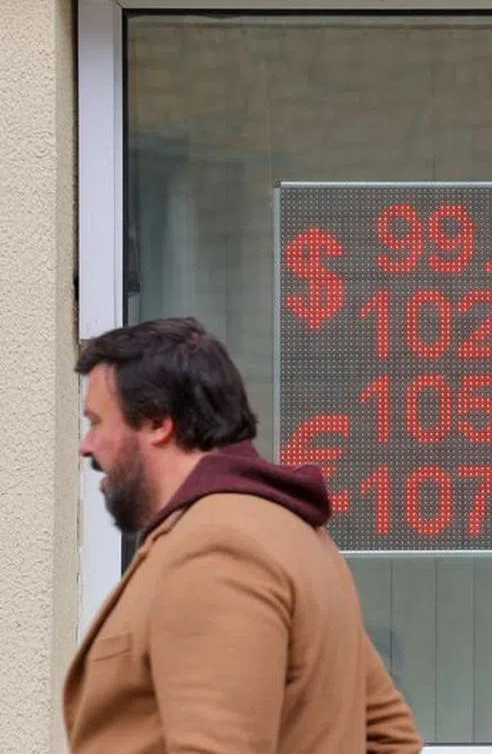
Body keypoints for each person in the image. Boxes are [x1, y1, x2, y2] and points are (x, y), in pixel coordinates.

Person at [64, 317, 423, 754]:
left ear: (159, 423)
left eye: (97, 422)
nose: (87, 445)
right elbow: (390, 739)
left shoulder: (215, 548)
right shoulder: (294, 533)